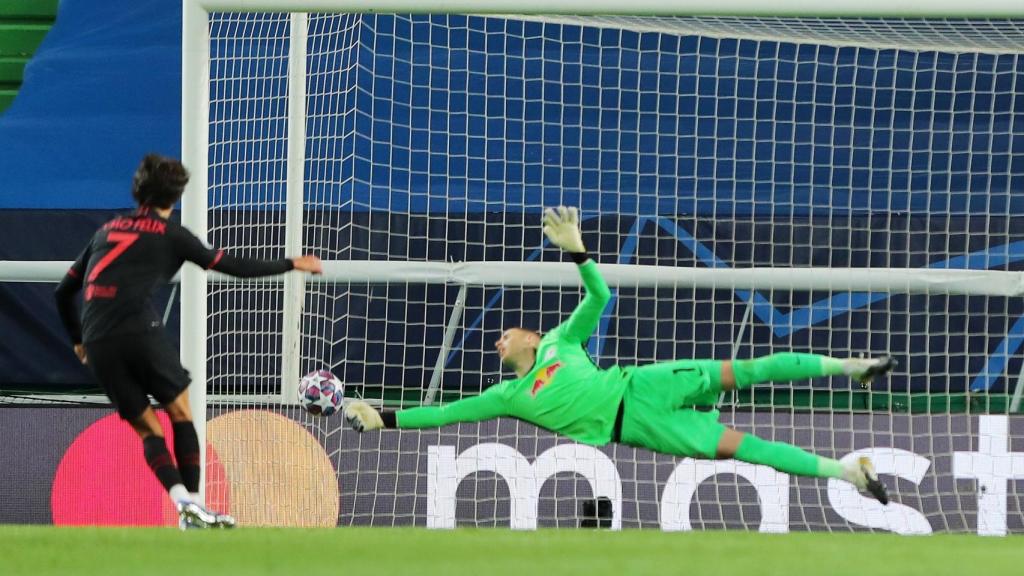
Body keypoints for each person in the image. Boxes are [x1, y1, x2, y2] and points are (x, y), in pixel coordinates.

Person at [345, 206, 893, 505]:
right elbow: (445, 413)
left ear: (533, 338)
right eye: (496, 341)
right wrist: (385, 416)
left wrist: (578, 252)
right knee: (750, 449)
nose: (498, 341)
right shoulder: (507, 395)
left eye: (506, 333)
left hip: (644, 386)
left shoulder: (561, 341)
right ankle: (847, 473)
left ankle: (851, 367)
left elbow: (600, 296)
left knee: (746, 371)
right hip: (640, 428)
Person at [54, 153, 323, 529]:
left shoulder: (107, 229)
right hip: (138, 330)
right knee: (180, 414)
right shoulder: (172, 235)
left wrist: (78, 342)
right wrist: (292, 263)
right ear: (176, 196)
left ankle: (182, 501)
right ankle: (194, 507)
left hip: (98, 340)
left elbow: (63, 291)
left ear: (137, 191)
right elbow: (233, 267)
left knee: (149, 430)